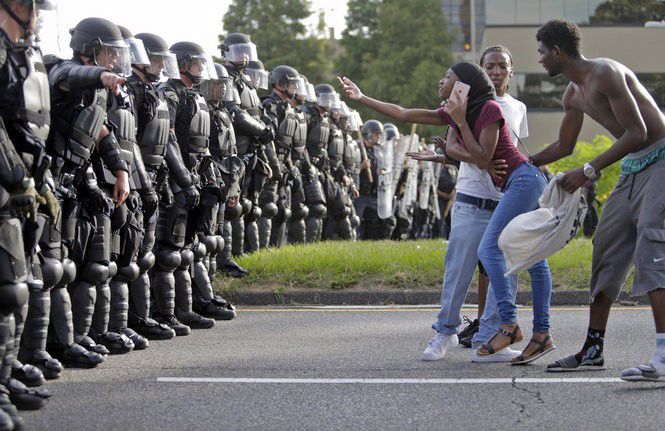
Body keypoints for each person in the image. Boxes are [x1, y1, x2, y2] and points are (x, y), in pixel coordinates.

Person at [340, 58, 553, 365]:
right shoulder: (455, 115)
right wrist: (362, 98)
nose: (441, 81)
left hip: (524, 182)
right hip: (513, 186)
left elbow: (482, 159)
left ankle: (508, 326)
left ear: (463, 86)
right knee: (531, 259)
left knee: (494, 251)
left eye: (447, 77)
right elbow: (403, 113)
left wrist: (458, 131)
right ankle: (534, 332)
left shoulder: (490, 110)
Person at [529, 20, 665, 381]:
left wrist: (588, 171)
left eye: (542, 52)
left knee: (652, 246)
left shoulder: (605, 72)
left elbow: (639, 132)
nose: (540, 59)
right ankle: (593, 349)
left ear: (558, 51)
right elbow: (564, 147)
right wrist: (522, 164)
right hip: (634, 166)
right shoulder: (572, 95)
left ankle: (664, 355)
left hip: (661, 156)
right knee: (606, 247)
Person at [155, 41, 216, 332]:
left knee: (189, 249)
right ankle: (167, 314)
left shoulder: (193, 96)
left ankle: (186, 309)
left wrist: (208, 180)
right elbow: (167, 141)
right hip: (174, 181)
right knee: (170, 253)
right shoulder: (170, 94)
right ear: (183, 63)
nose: (201, 69)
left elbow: (202, 146)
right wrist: (183, 181)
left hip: (193, 179)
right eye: (197, 64)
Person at [123, 31, 179, 340]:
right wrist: (142, 185)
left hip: (153, 178)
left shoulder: (152, 91)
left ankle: (142, 317)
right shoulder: (132, 91)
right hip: (132, 179)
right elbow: (129, 143)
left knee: (147, 255)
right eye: (156, 59)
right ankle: (130, 321)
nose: (160, 66)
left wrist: (167, 181)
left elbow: (165, 142)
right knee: (130, 257)